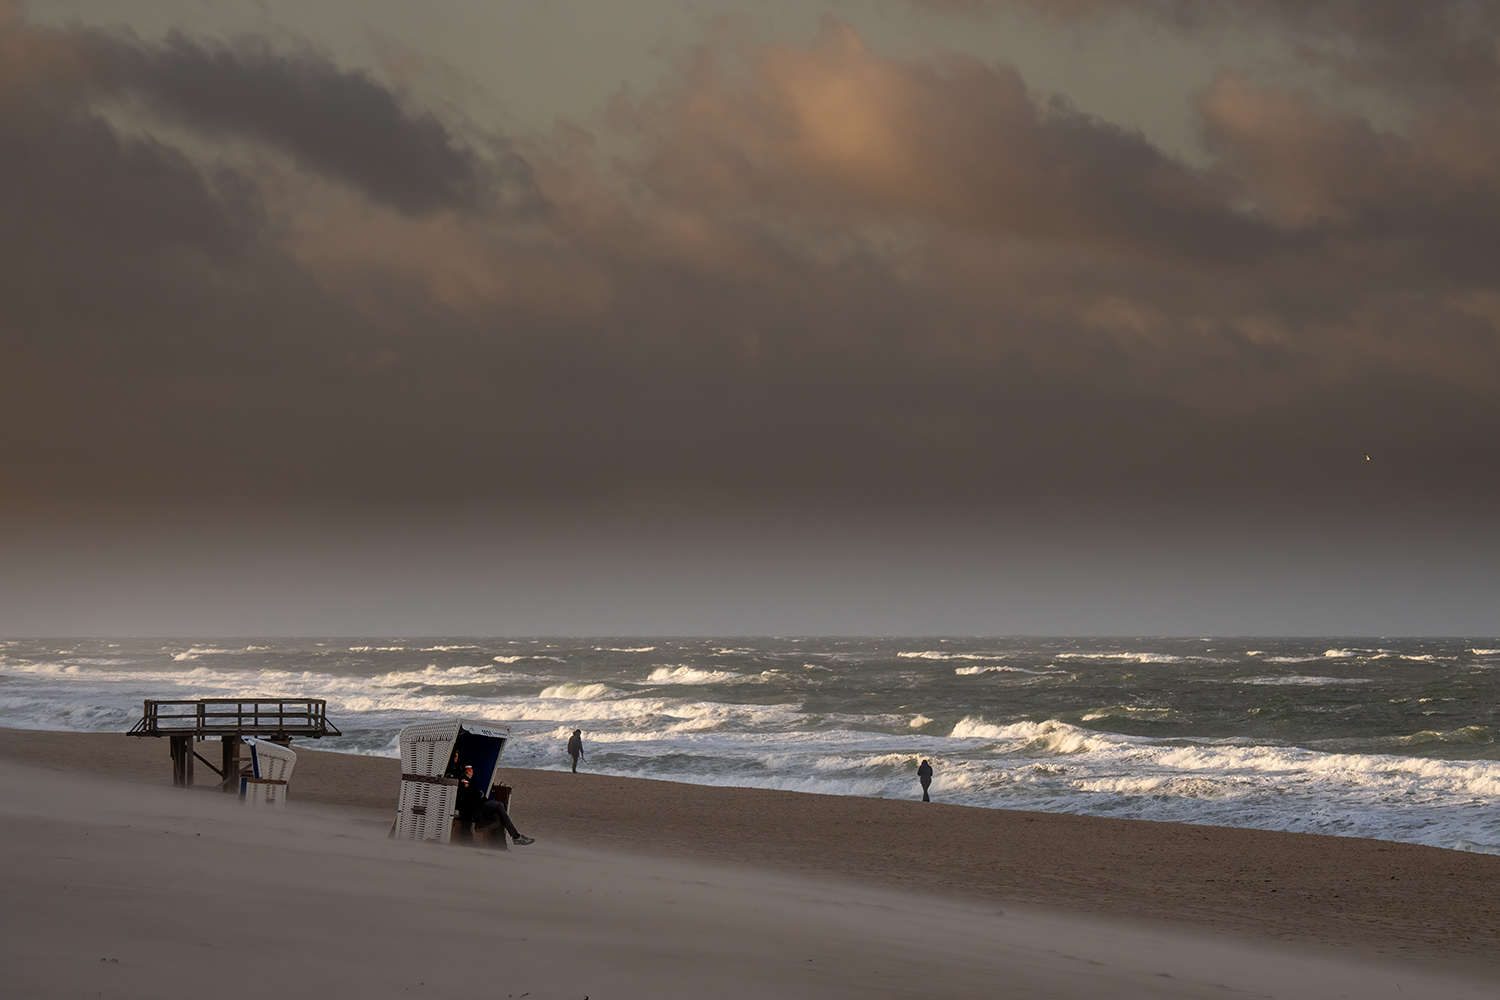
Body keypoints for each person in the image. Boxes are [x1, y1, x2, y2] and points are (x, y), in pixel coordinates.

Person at [456, 764, 535, 845]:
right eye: (469, 771)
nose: (471, 773)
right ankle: (516, 837)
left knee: (499, 815)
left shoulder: (470, 782)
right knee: (499, 806)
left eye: (471, 771)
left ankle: (507, 842)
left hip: (481, 803)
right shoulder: (463, 781)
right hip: (478, 806)